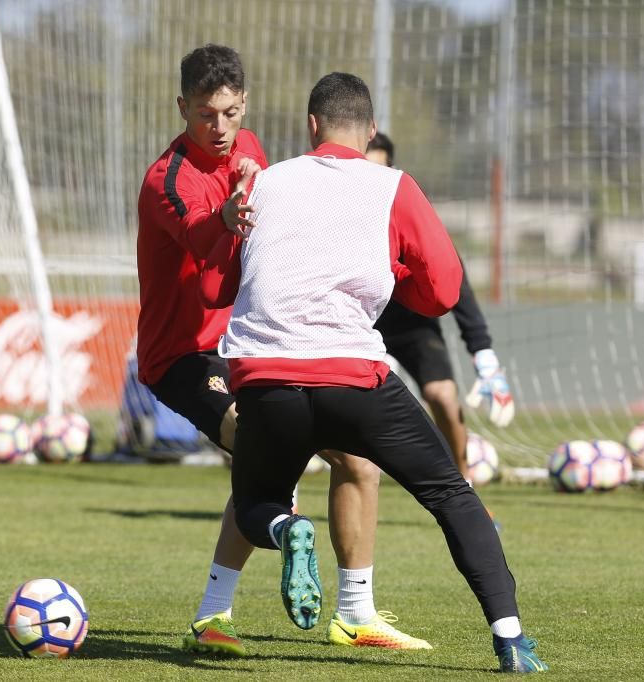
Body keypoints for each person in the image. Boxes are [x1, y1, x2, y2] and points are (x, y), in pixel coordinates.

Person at [201, 72, 548, 673]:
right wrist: (399, 278)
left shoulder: (265, 181)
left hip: (263, 375)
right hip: (352, 377)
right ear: (372, 129)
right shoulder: (394, 186)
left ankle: (287, 530)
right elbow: (443, 289)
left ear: (312, 126)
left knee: (255, 499)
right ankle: (511, 638)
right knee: (451, 495)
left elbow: (221, 285)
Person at [136, 44, 429, 657]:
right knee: (266, 453)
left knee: (357, 463)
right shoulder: (166, 180)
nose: (220, 129)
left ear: (244, 106)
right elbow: (200, 245)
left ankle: (356, 613)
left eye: (231, 113)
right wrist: (228, 213)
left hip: (254, 344)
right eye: (205, 115)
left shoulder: (252, 150)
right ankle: (220, 607)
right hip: (183, 357)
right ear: (182, 107)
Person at [367, 132, 515, 482]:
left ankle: (463, 485)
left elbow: (450, 275)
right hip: (359, 324)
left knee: (443, 395)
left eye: (379, 170)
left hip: (412, 326)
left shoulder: (407, 212)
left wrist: (483, 354)